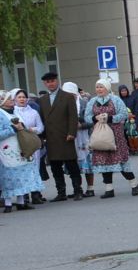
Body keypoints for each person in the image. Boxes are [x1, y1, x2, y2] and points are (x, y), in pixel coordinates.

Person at [82, 80, 135, 196]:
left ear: (107, 88)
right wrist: (95, 118)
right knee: (104, 162)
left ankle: (134, 185)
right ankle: (109, 189)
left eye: (101, 87)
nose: (99, 89)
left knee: (121, 161)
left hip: (116, 135)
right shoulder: (92, 101)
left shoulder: (116, 100)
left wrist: (109, 118)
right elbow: (86, 116)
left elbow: (124, 114)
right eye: (97, 87)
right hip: (100, 135)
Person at [39, 73, 81, 201]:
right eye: (48, 82)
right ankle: (61, 192)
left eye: (52, 81)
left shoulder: (67, 97)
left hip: (65, 136)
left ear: (57, 81)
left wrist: (71, 133)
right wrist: (42, 136)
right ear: (45, 84)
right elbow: (41, 119)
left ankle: (77, 190)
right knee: (55, 167)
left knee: (72, 164)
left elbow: (73, 117)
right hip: (51, 138)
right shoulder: (42, 99)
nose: (50, 84)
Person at [0, 94, 39, 212]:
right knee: (8, 176)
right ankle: (7, 203)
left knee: (21, 176)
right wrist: (13, 129)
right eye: (9, 99)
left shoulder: (15, 112)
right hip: (7, 150)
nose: (12, 100)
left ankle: (21, 202)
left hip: (19, 148)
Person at [12, 88, 46, 202]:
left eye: (24, 97)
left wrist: (33, 130)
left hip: (32, 143)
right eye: (19, 97)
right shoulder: (13, 112)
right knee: (23, 169)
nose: (22, 99)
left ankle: (36, 194)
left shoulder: (33, 112)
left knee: (34, 168)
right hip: (20, 144)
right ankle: (24, 196)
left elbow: (41, 128)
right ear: (15, 99)